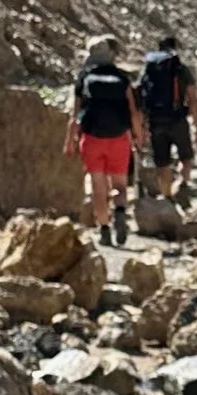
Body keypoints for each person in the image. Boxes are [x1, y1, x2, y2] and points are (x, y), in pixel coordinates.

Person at [69, 40, 138, 247]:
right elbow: (133, 111)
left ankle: (104, 228)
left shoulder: (85, 77)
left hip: (92, 139)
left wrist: (71, 139)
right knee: (119, 185)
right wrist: (137, 135)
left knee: (98, 186)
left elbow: (74, 114)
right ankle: (119, 211)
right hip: (118, 138)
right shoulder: (121, 77)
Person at [137, 31, 195, 202]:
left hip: (156, 120)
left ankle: (167, 196)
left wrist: (142, 124)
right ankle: (183, 184)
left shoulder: (149, 68)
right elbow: (193, 98)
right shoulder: (180, 68)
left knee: (162, 162)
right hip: (177, 118)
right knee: (186, 156)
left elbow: (140, 94)